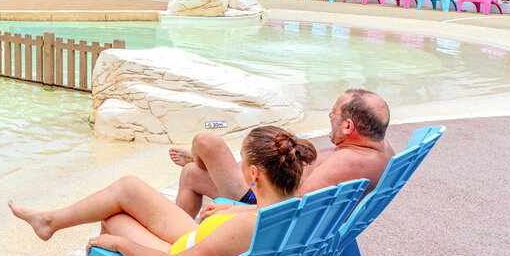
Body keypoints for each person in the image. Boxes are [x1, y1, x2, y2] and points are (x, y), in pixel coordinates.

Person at [10, 126, 317, 256]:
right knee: (129, 188)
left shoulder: (246, 228)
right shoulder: (296, 208)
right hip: (209, 252)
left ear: (253, 173)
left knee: (113, 221)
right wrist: (236, 207)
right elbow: (259, 215)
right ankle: (51, 221)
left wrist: (119, 244)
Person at [168, 88, 392, 218]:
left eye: (334, 114)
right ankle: (200, 165)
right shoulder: (380, 149)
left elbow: (289, 210)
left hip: (261, 203)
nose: (329, 116)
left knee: (207, 142)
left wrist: (231, 209)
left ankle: (199, 163)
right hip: (275, 190)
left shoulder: (347, 162)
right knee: (192, 173)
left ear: (348, 127)